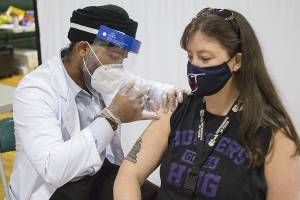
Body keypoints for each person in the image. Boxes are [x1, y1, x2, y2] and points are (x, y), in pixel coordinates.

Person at [114, 7, 300, 200]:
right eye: (190, 57)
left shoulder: (274, 133)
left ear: (237, 61)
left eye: (204, 58)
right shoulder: (176, 108)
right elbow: (129, 175)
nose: (194, 67)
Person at [9, 5, 187, 200]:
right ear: (83, 49)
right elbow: (53, 170)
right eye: (114, 56)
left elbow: (149, 89)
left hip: (99, 174)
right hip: (54, 188)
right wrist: (111, 118)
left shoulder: (102, 74)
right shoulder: (35, 90)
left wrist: (170, 94)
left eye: (123, 58)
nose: (118, 67)